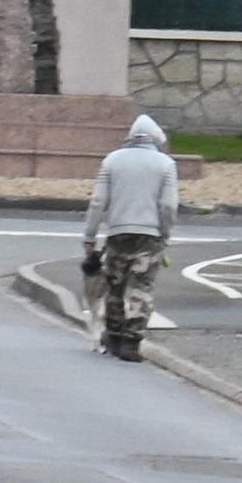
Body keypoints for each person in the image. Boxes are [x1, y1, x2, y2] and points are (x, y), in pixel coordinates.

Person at [84, 114, 178, 361]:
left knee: (116, 285)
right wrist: (165, 233)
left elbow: (98, 202)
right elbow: (168, 205)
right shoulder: (165, 165)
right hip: (149, 235)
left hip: (118, 232)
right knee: (141, 286)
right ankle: (132, 341)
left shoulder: (112, 161)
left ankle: (113, 333)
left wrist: (90, 235)